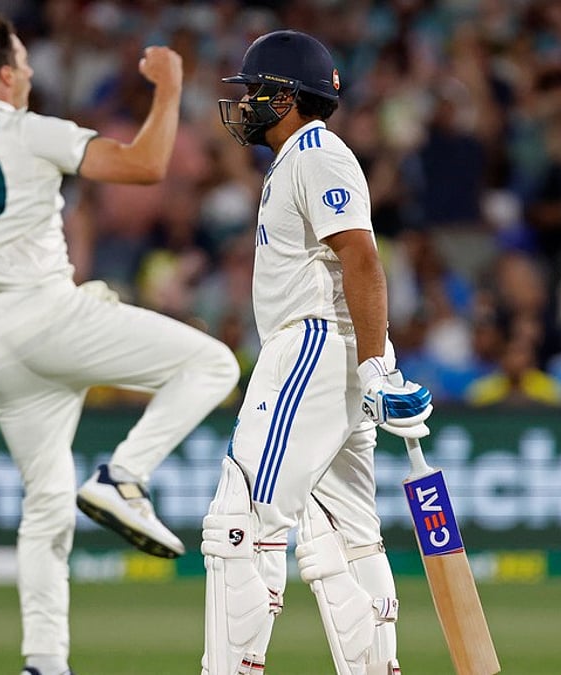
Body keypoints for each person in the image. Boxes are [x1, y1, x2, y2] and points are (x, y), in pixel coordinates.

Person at [0, 17, 239, 675]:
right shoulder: (29, 130)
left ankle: (44, 661)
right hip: (48, 314)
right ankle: (125, 475)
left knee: (46, 505)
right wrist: (170, 89)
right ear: (5, 74)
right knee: (213, 363)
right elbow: (145, 166)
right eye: (24, 62)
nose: (31, 71)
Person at [202, 31, 433, 675]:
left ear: (289, 97)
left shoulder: (317, 153)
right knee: (344, 540)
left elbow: (360, 254)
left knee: (241, 518)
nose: (244, 104)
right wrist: (372, 368)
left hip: (311, 348)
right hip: (333, 360)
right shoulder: (299, 159)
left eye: (255, 92)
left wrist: (376, 366)